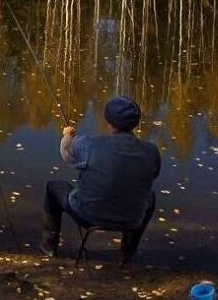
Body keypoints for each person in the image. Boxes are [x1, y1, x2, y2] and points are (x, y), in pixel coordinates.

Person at [41, 95, 160, 263]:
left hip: (87, 214)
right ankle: (126, 255)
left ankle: (48, 248)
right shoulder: (152, 152)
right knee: (150, 197)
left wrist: (68, 135)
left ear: (108, 120)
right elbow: (151, 175)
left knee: (52, 188)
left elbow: (67, 153)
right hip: (131, 220)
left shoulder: (90, 144)